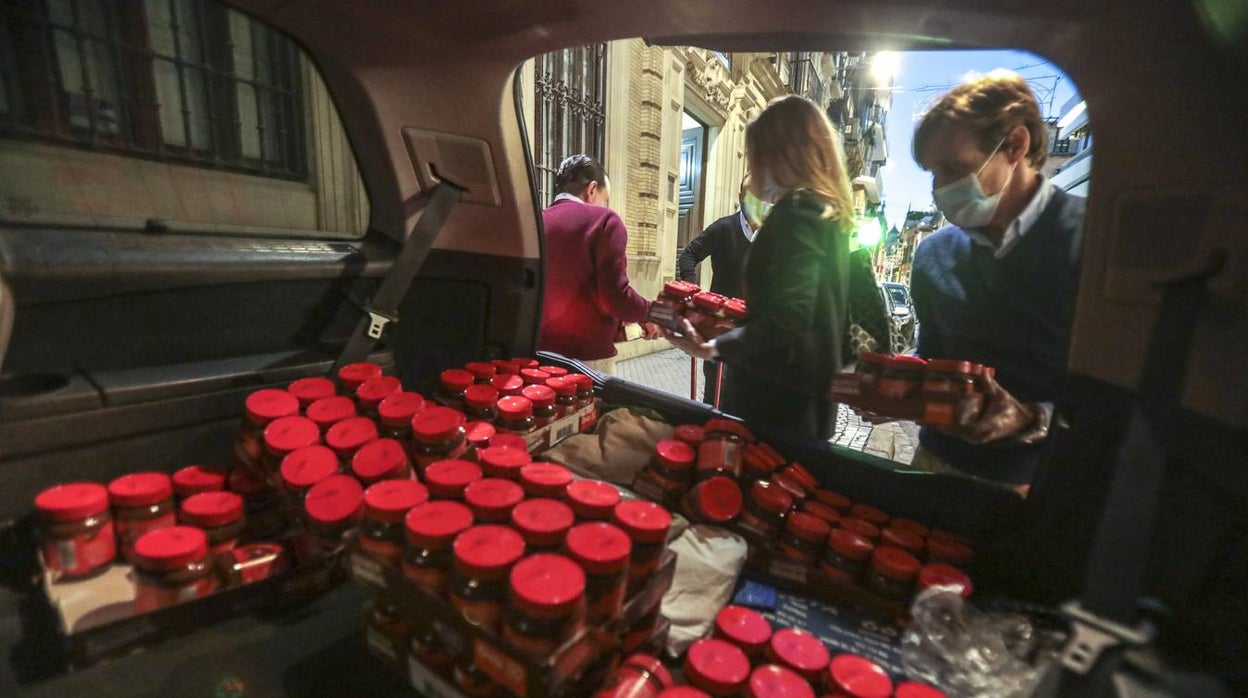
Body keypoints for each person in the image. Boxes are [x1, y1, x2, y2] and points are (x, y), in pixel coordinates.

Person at [908, 71, 1085, 487]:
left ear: (1015, 146)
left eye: (953, 168)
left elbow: (1120, 404)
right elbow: (931, 360)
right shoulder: (933, 255)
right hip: (932, 464)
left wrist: (1031, 418)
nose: (940, 189)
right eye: (932, 172)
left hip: (1034, 485)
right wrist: (899, 389)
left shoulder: (1093, 244)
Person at [665, 96, 853, 439]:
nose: (752, 168)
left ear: (780, 155)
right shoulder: (828, 215)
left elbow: (792, 315)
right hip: (804, 406)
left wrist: (717, 347)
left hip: (772, 405)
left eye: (755, 155)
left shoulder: (797, 212)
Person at [538, 154, 660, 375]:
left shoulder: (535, 221)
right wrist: (655, 313)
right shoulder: (603, 221)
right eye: (605, 198)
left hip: (539, 355)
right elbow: (615, 297)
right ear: (592, 189)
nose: (605, 205)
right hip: (587, 359)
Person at [675, 175, 765, 405]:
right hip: (719, 328)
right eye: (749, 194)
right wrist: (694, 294)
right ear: (740, 197)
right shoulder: (724, 228)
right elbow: (689, 255)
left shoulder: (771, 238)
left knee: (747, 397)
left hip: (752, 332)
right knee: (715, 394)